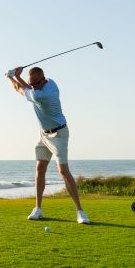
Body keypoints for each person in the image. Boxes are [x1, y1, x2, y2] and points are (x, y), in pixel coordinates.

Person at [7, 66, 90, 224]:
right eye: (31, 83)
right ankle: (38, 209)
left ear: (42, 80)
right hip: (43, 135)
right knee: (40, 167)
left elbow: (19, 88)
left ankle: (80, 212)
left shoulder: (42, 95)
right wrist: (19, 77)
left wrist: (11, 77)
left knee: (63, 171)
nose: (32, 86)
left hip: (59, 135)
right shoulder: (49, 82)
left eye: (34, 83)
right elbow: (27, 87)